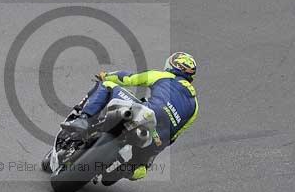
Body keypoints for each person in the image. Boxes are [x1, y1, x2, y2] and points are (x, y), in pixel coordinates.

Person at [61, 52, 199, 181]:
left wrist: (106, 75)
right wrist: (157, 146)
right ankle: (127, 169)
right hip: (157, 138)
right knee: (141, 167)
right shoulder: (195, 107)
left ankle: (83, 119)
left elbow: (129, 78)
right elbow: (174, 136)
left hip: (145, 113)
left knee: (107, 85)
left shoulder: (164, 76)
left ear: (171, 66)